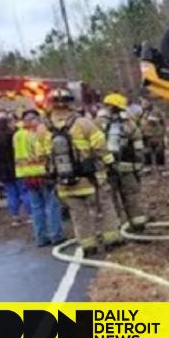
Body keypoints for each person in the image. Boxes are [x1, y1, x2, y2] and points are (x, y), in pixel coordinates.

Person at [46, 88, 121, 253]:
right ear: (70, 103)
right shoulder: (83, 123)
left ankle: (88, 246)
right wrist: (110, 163)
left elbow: (41, 155)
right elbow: (100, 146)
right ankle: (111, 239)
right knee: (105, 206)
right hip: (90, 179)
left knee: (78, 215)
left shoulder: (44, 127)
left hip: (63, 182)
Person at [14, 110, 64, 246]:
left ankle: (41, 237)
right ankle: (56, 235)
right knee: (52, 205)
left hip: (27, 176)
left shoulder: (18, 135)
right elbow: (49, 151)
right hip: (44, 174)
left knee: (36, 208)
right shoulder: (41, 133)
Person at [101, 93, 148, 230]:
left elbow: (96, 148)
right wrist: (139, 166)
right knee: (131, 197)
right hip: (128, 169)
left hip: (108, 169)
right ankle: (138, 225)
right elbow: (138, 147)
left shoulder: (98, 123)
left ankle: (117, 228)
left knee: (111, 199)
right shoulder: (130, 123)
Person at [0, 113, 25, 226]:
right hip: (16, 167)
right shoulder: (13, 136)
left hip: (2, 171)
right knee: (24, 192)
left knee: (11, 194)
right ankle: (31, 214)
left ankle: (15, 216)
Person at [139, 103, 166, 172]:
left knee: (158, 150)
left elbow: (163, 122)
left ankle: (159, 166)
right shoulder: (142, 112)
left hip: (156, 133)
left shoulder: (157, 111)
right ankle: (148, 166)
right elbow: (140, 122)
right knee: (146, 151)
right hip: (146, 134)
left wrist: (162, 132)